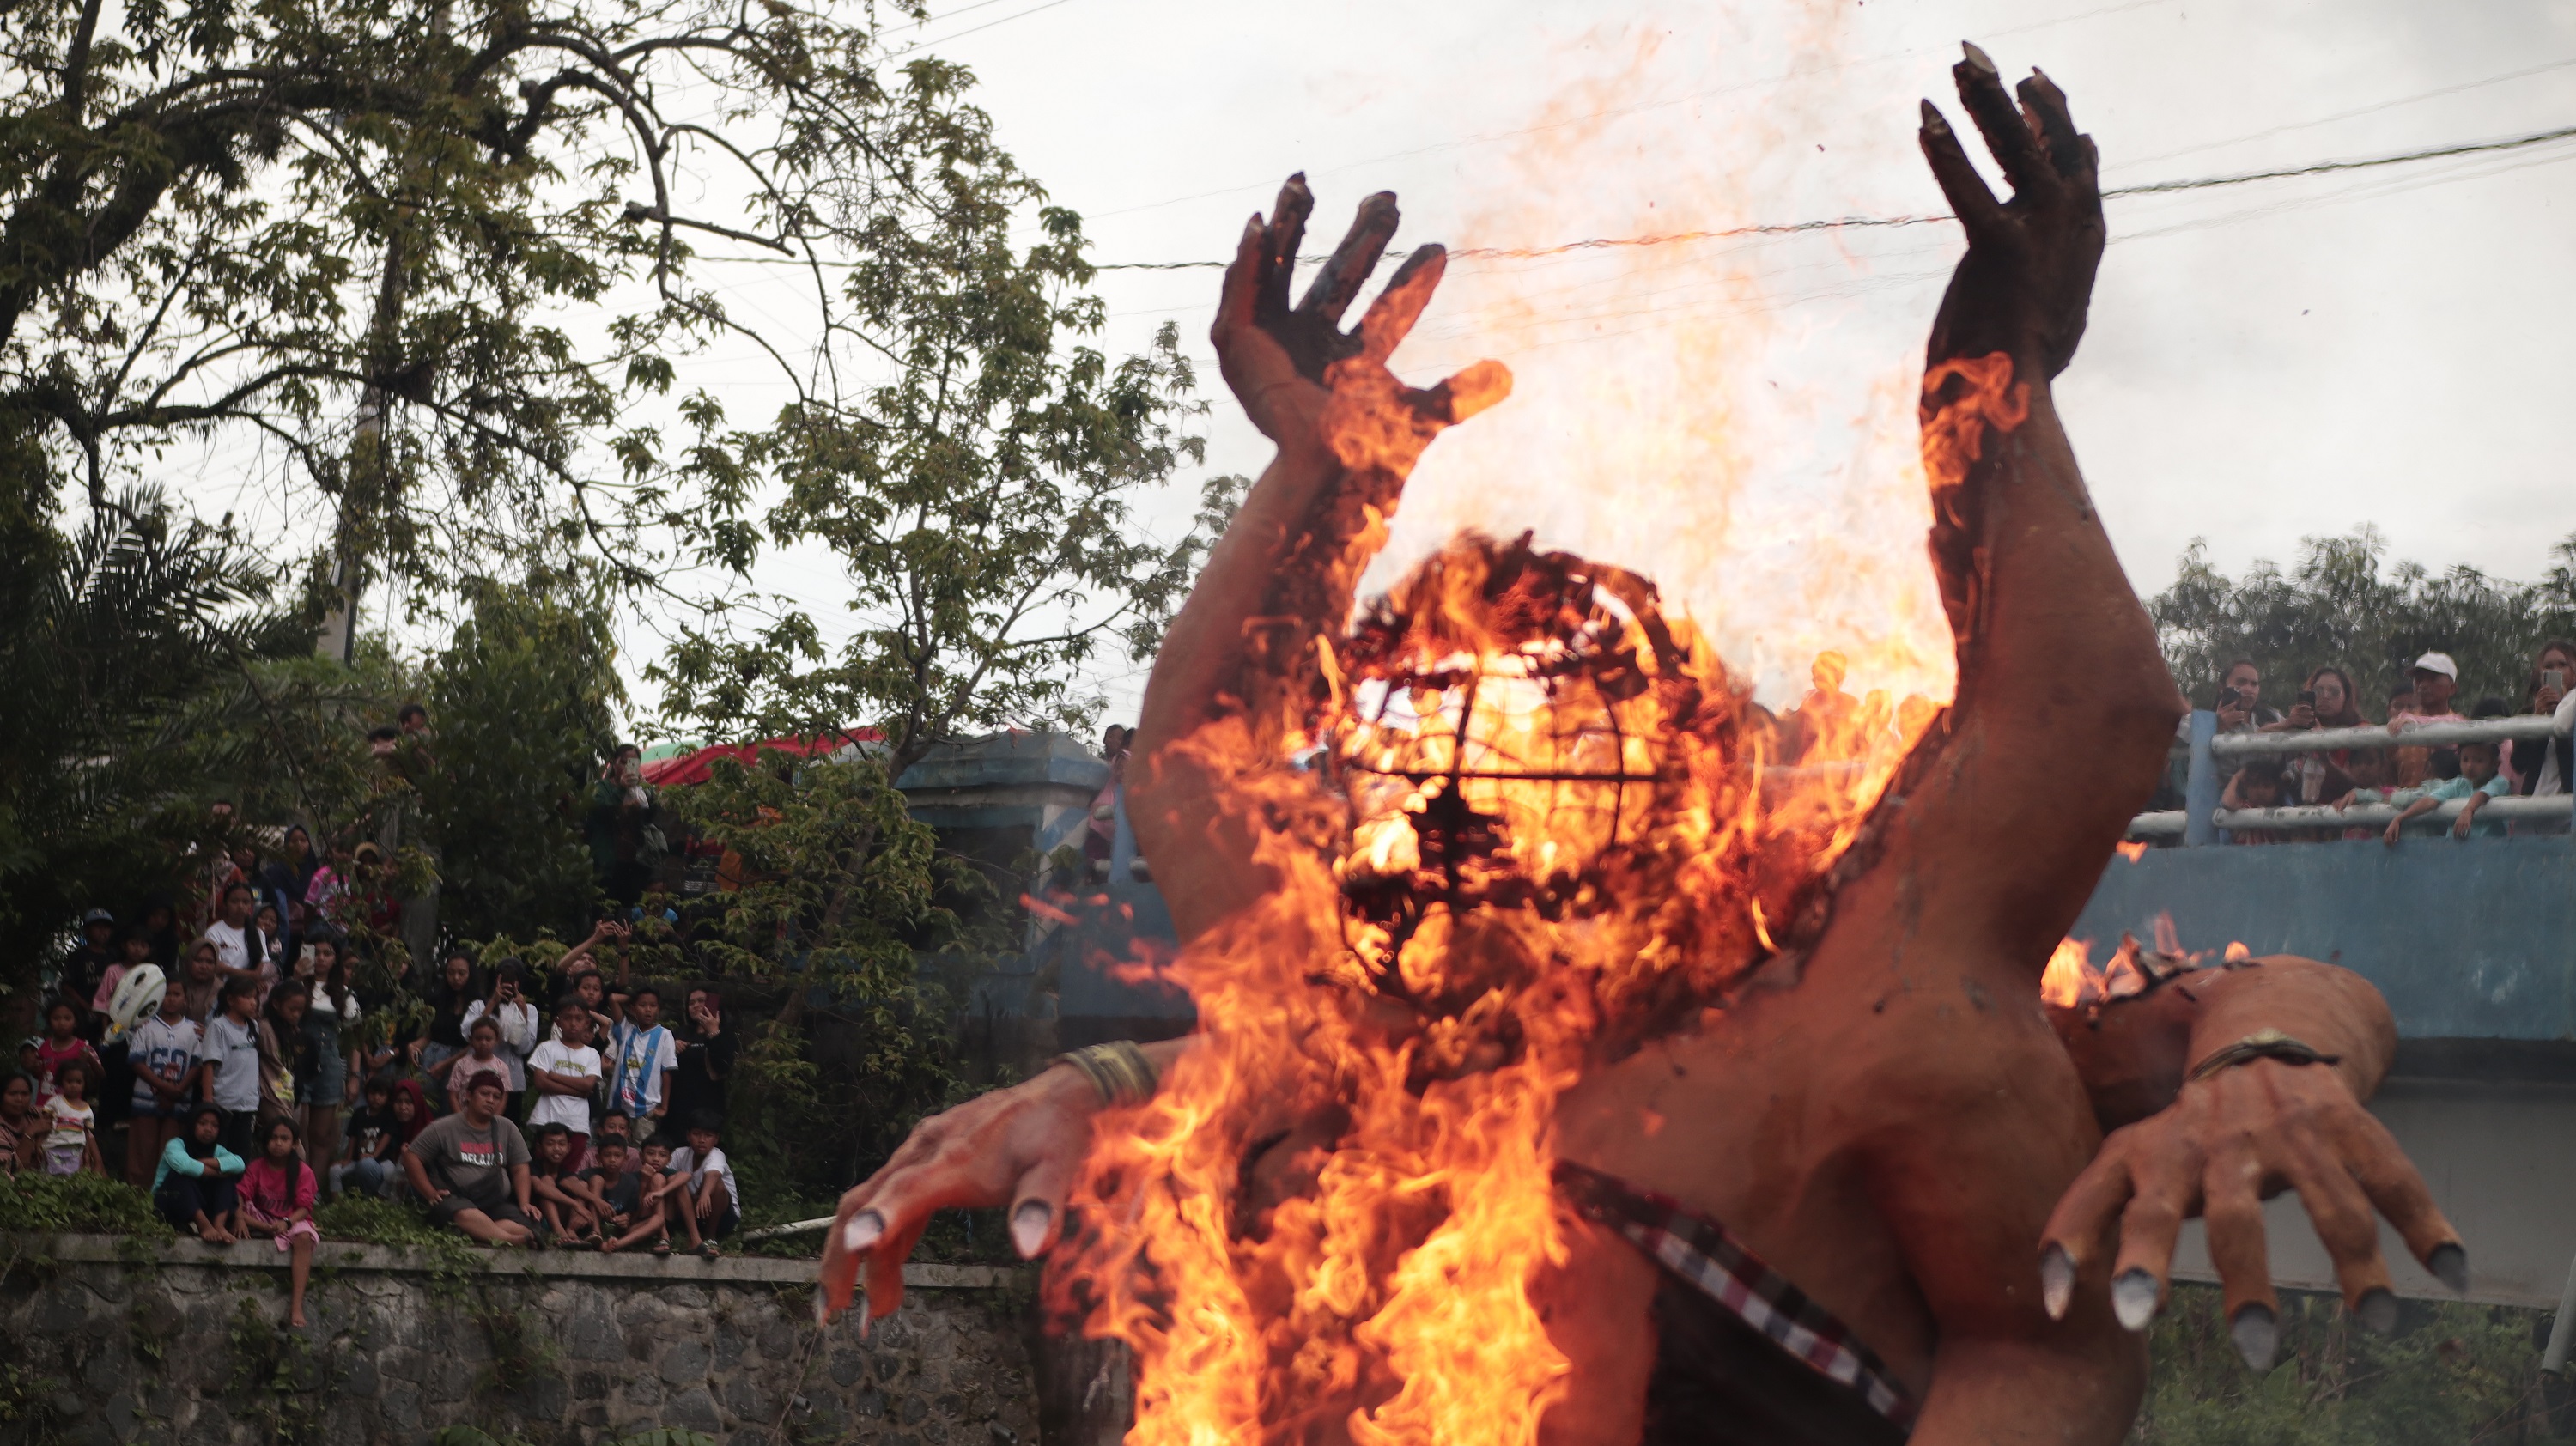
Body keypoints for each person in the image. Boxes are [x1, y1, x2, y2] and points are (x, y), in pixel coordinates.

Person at [815, 69, 2460, 1446]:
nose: (1488, 802)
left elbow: (2089, 733)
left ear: (1705, 791)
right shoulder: (1366, 998)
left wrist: (1992, 386)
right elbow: (1205, 747)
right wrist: (1327, 483)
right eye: (1460, 748)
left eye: (1563, 741)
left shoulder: (1871, 1005)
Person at [401, 1073, 537, 1245]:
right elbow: (411, 1157)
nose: (490, 1100)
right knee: (462, 1214)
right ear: (468, 1095)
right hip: (457, 1201)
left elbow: (520, 1168)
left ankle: (481, 1233)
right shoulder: (443, 1127)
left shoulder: (507, 1128)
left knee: (528, 1222)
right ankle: (508, 1238)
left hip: (495, 1204)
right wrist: (430, 1192)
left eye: (496, 1097)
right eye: (485, 1094)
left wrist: (525, 1203)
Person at [238, 1117, 321, 1327]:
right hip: (262, 1219)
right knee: (235, 1208)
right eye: (274, 1138)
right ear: (266, 1142)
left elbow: (305, 1208)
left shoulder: (304, 1171)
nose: (278, 1143)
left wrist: (286, 1222)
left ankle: (296, 1306)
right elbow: (240, 1195)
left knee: (304, 1237)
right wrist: (241, 1218)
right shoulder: (256, 1167)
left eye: (285, 1138)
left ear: (294, 1144)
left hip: (292, 1220)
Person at [126, 977, 204, 1189]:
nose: (170, 999)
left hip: (179, 1101)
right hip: (146, 1099)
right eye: (166, 994)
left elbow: (198, 1064)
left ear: (186, 999)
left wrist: (179, 1089)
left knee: (171, 1152)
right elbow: (136, 1061)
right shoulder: (146, 1026)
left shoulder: (194, 1030)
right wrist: (165, 1088)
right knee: (143, 1151)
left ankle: (166, 1200)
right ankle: (137, 1198)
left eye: (176, 994)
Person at [299, 937, 360, 1176]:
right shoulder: (295, 985)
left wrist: (354, 1075)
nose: (321, 958)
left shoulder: (344, 994)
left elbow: (354, 1038)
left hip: (330, 1063)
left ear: (335, 959)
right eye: (317, 953)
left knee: (322, 1134)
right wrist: (296, 976)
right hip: (297, 1062)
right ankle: (293, 1180)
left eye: (327, 953)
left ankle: (313, 1188)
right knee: (296, 1126)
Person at [2384, 738, 2512, 845]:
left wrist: (2468, 810)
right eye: (2465, 759)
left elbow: (2483, 794)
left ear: (2495, 764)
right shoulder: (2459, 784)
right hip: (2456, 853)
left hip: (2490, 851)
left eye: (2479, 761)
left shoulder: (2500, 783)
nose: (2470, 766)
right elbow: (2430, 800)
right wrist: (2400, 818)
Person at [527, 1003, 603, 1170]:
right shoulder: (547, 1048)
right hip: (547, 1117)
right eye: (567, 1018)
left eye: (579, 1019)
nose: (573, 1023)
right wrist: (578, 1091)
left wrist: (553, 1076)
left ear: (587, 1022)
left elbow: (588, 1084)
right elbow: (540, 1083)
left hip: (577, 1122)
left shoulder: (592, 1054)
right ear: (558, 1021)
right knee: (542, 1170)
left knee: (569, 1174)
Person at [155, 1103, 246, 1242]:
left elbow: (239, 1164)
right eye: (202, 1123)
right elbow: (185, 1166)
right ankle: (203, 1225)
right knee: (182, 1177)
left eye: (215, 1126)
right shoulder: (176, 1144)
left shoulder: (217, 1150)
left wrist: (203, 1161)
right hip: (169, 1203)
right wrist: (218, 1172)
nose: (208, 1129)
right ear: (192, 1124)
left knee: (227, 1179)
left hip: (203, 1204)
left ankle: (219, 1225)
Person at [459, 957, 539, 1109]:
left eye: (514, 980)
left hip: (510, 1082)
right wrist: (492, 1003)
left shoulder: (530, 1010)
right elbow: (467, 1035)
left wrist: (523, 1015)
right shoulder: (479, 1005)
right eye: (503, 979)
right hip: (477, 1076)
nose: (509, 985)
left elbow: (523, 1048)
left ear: (520, 982)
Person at [587, 744, 659, 906]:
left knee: (628, 912)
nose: (627, 768)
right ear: (613, 763)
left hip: (635, 866)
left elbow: (649, 820)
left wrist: (646, 793)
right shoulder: (602, 787)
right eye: (623, 762)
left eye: (633, 764)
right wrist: (620, 788)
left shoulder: (641, 790)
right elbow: (601, 812)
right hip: (608, 867)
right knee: (605, 910)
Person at [605, 985, 677, 1143]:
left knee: (643, 1150)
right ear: (632, 1008)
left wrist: (663, 1106)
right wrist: (634, 996)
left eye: (653, 1005)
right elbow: (613, 999)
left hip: (647, 1108)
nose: (648, 1010)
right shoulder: (626, 1030)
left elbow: (667, 1072)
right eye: (642, 1005)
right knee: (615, 1149)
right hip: (619, 1105)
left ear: (659, 1009)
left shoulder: (664, 1035)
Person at [203, 976, 263, 1159]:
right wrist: (208, 1103)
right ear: (230, 1000)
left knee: (240, 1156)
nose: (253, 1003)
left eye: (255, 998)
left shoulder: (254, 1026)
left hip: (248, 1105)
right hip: (225, 1104)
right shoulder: (218, 1026)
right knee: (219, 1154)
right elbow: (208, 1065)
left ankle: (237, 1189)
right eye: (247, 997)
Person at [2510, 639, 2576, 803]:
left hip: (2569, 808)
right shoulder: (2527, 713)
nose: (2556, 671)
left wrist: (2564, 710)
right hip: (2534, 808)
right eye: (2548, 667)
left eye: (2562, 665)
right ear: (2539, 674)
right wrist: (2538, 718)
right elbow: (2519, 763)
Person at [415, 948, 479, 1108]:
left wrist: (446, 1064)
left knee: (452, 1110)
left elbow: (476, 1043)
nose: (455, 978)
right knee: (425, 1106)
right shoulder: (437, 999)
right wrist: (414, 1047)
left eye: (461, 973)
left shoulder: (478, 1003)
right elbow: (429, 1035)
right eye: (450, 972)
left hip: (461, 1060)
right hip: (432, 1058)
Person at [667, 1111, 738, 1255]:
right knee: (676, 1180)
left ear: (716, 1139)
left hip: (722, 1216)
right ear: (688, 1136)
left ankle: (710, 1237)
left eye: (708, 1136)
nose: (702, 1140)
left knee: (717, 1187)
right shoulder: (679, 1154)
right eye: (697, 1134)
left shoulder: (717, 1155)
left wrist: (705, 1194)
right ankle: (692, 1238)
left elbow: (713, 1173)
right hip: (691, 1213)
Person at [667, 987, 733, 1126]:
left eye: (701, 1001)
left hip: (708, 1107)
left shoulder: (724, 1034)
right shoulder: (680, 1032)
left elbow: (723, 1067)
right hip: (678, 1106)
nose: (696, 1005)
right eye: (691, 1003)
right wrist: (670, 1046)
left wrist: (713, 1033)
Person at [607, 1139, 685, 1255]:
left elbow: (686, 1176)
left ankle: (664, 1236)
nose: (656, 1159)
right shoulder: (631, 1178)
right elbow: (633, 1216)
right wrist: (644, 1183)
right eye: (650, 1153)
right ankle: (662, 1238)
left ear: (669, 1159)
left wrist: (661, 1192)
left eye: (662, 1155)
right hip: (641, 1224)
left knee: (660, 1179)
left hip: (663, 1221)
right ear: (641, 1156)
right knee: (657, 1219)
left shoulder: (669, 1173)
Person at [528, 1122, 598, 1245]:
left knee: (582, 1185)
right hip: (537, 1219)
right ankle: (559, 1233)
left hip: (562, 1218)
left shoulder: (565, 1172)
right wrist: (575, 1204)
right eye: (550, 1144)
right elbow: (539, 1188)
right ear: (539, 1147)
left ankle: (571, 1230)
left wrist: (595, 1203)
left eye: (561, 1144)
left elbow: (577, 1186)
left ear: (568, 1148)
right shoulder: (532, 1166)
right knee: (547, 1181)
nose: (556, 1148)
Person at [203, 883, 274, 1002]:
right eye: (234, 901)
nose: (240, 906)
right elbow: (216, 968)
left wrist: (227, 969)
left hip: (249, 994)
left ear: (251, 905)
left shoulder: (258, 933)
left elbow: (258, 974)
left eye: (245, 902)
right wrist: (249, 975)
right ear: (225, 904)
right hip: (222, 991)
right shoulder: (213, 932)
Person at [334, 1076, 404, 1199]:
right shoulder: (359, 1113)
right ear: (366, 1094)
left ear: (388, 1097)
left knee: (390, 1173)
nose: (376, 1098)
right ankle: (338, 1203)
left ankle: (381, 1199)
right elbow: (353, 1136)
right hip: (358, 1160)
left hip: (383, 1160)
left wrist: (374, 1155)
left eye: (381, 1094)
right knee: (334, 1171)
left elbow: (387, 1137)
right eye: (372, 1093)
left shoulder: (389, 1114)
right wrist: (348, 1158)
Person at [255, 982, 311, 1130]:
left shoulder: (294, 1031)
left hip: (289, 1091)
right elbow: (276, 1064)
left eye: (300, 1010)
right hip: (274, 1091)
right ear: (276, 1004)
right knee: (290, 1138)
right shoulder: (266, 1028)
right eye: (292, 1009)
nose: (296, 1014)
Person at [584, 1138, 651, 1252]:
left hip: (619, 1230)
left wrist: (627, 1218)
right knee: (596, 1180)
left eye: (617, 1156)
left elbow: (633, 1214)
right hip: (592, 1224)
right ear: (598, 1159)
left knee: (657, 1220)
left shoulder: (631, 1182)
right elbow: (567, 1182)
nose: (612, 1160)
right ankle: (596, 1233)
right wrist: (597, 1200)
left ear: (625, 1159)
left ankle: (616, 1245)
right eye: (607, 1155)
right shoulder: (592, 1174)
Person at [30, 999, 100, 1105]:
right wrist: (36, 1068)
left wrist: (89, 1058)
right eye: (56, 1018)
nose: (62, 1023)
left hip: (70, 1107)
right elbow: (38, 1074)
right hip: (45, 1105)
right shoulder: (44, 1046)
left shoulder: (83, 1047)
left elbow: (101, 1074)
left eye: (67, 1018)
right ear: (49, 1022)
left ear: (75, 1022)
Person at [59, 908, 117, 1030]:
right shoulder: (78, 956)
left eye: (106, 928)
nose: (103, 931)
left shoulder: (114, 956)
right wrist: (85, 1005)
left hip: (111, 1016)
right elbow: (66, 986)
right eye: (98, 927)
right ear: (87, 930)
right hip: (84, 1016)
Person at [41, 1059, 101, 1175]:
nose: (73, 1085)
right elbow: (44, 1124)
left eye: (78, 1082)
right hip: (53, 1148)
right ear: (61, 1081)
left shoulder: (87, 1109)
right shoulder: (54, 1102)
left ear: (85, 1084)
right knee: (50, 1179)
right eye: (69, 1081)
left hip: (75, 1151)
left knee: (72, 1180)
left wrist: (87, 1153)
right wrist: (39, 1143)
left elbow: (87, 1133)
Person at [2209, 659, 2277, 733]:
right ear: (2222, 687)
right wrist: (2218, 727)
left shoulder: (2272, 716)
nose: (2249, 689)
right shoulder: (2205, 725)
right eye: (2241, 682)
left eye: (2254, 684)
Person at [0, 1072, 42, 1175]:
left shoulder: (35, 1114)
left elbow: (73, 1120)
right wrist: (30, 1133)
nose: (19, 1099)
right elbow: (9, 1170)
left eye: (25, 1094)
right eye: (13, 1094)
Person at [177, 939, 222, 1024]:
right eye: (198, 960)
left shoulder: (222, 991)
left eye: (210, 962)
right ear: (189, 961)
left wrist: (209, 1032)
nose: (204, 967)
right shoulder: (176, 987)